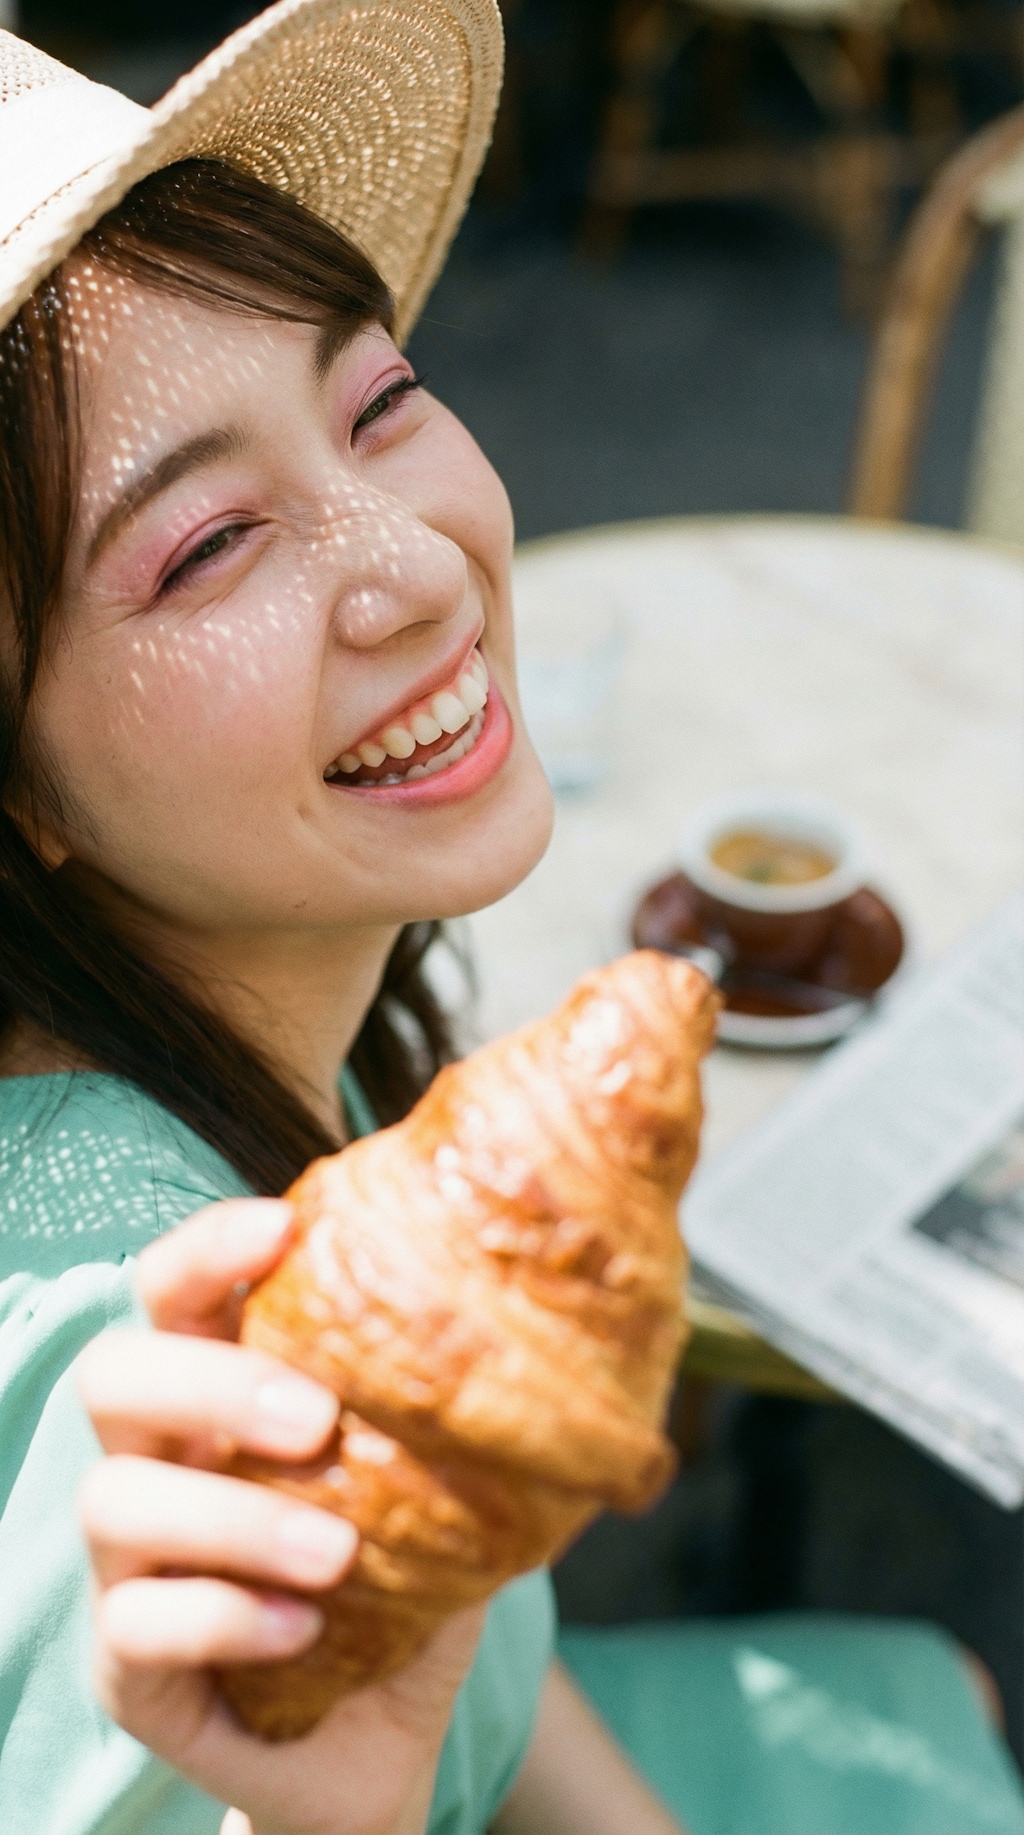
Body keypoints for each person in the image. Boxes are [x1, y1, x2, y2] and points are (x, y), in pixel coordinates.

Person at [1, 7, 1023, 1835]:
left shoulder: (291, 1074)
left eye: (379, 400)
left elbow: (479, 1645)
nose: (412, 566)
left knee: (933, 1685)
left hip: (483, 1742)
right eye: (206, 545)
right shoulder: (154, 1401)